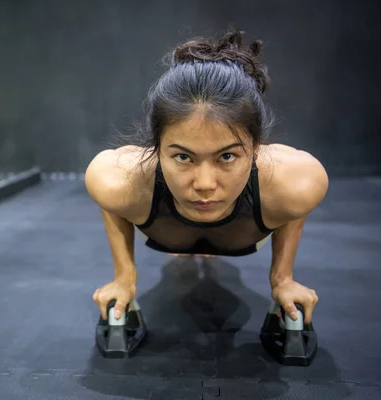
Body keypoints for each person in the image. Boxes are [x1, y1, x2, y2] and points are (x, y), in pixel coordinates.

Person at [85, 29, 328, 327]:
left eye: (226, 157)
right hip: (163, 227)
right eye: (183, 157)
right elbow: (111, 202)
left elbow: (295, 204)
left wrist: (283, 278)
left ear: (255, 149)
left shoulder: (294, 182)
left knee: (291, 192)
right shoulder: (118, 180)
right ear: (156, 148)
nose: (204, 184)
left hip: (248, 226)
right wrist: (124, 277)